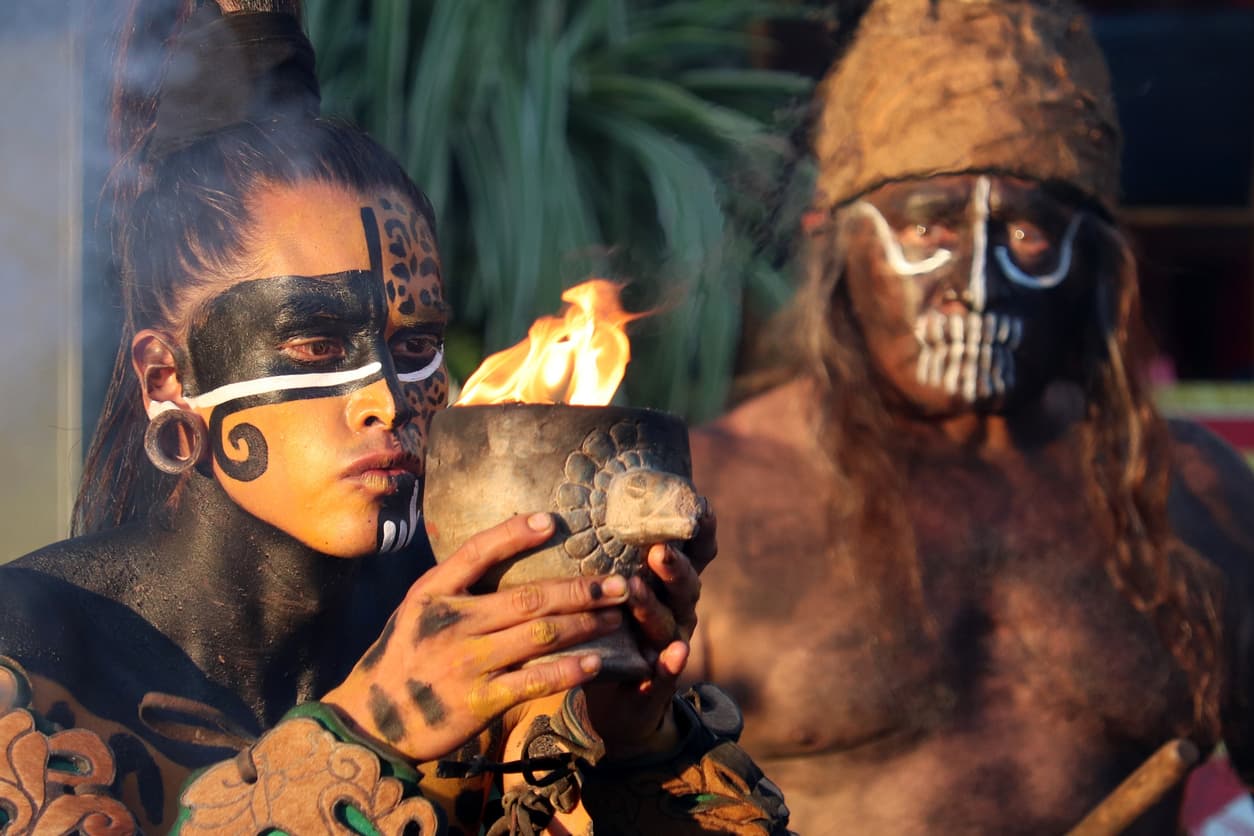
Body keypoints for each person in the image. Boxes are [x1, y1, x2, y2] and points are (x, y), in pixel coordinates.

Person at [0, 3, 790, 834]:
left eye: (415, 347)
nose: (389, 396)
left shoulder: (487, 623)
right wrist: (366, 739)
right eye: (315, 343)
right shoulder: (32, 644)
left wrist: (636, 744)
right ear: (168, 379)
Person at [686, 0, 1254, 833]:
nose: (977, 287)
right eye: (928, 227)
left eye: (1026, 233)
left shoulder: (1199, 497)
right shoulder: (709, 501)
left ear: (1093, 259)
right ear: (832, 243)